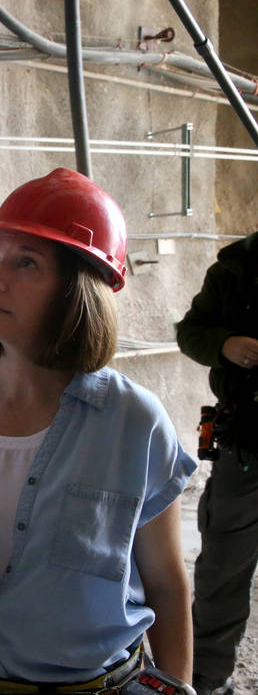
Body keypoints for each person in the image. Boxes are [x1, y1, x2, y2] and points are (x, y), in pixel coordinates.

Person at [0, 168, 196, 695]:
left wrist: (175, 687)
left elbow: (165, 581)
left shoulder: (134, 423)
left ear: (77, 292)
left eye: (27, 263)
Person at [176, 232, 258, 695]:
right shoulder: (235, 268)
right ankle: (207, 678)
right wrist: (225, 344)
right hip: (244, 444)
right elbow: (190, 331)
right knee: (223, 567)